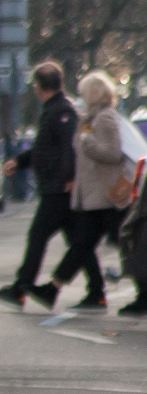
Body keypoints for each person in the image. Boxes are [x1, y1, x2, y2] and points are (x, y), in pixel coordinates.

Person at [3, 63, 78, 310]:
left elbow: (68, 147)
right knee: (79, 241)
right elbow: (45, 148)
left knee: (37, 236)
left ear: (40, 86)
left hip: (58, 186)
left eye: (35, 84)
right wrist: (21, 161)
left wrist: (68, 176)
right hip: (57, 184)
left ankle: (21, 287)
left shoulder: (61, 111)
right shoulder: (54, 109)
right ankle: (97, 290)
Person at [56, 73, 135, 310]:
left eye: (83, 93)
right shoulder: (91, 119)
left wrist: (88, 143)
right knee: (85, 243)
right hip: (96, 195)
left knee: (89, 243)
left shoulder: (105, 119)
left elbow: (113, 153)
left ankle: (56, 288)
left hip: (106, 195)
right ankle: (64, 289)